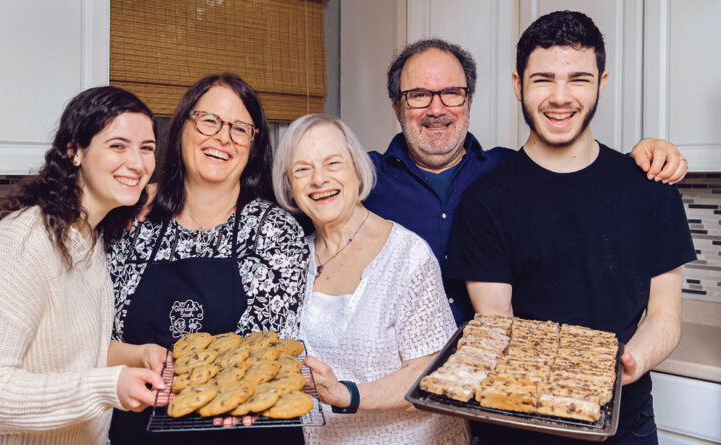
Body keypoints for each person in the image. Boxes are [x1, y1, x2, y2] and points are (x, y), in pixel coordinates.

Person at [449, 11, 695, 444]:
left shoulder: (652, 189)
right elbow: (498, 324)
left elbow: (664, 316)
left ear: (601, 83)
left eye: (578, 79)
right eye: (543, 79)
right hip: (519, 427)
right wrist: (567, 386)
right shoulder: (486, 201)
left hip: (625, 423)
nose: (560, 97)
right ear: (517, 85)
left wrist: (627, 363)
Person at [364, 38, 690, 324]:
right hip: (394, 382)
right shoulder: (361, 181)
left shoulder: (507, 173)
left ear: (469, 101)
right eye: (419, 95)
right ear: (397, 106)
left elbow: (581, 170)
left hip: (493, 378)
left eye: (452, 93)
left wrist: (648, 153)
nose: (437, 109)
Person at [0, 86, 166, 444]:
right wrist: (105, 387)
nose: (138, 164)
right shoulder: (19, 241)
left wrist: (137, 356)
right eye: (117, 145)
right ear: (75, 151)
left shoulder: (88, 238)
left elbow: (70, 352)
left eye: (147, 148)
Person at [107, 73, 309, 444]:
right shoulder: (131, 224)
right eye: (209, 121)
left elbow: (266, 345)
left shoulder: (273, 230)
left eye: (239, 128)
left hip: (247, 433)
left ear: (253, 145)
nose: (222, 137)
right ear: (182, 126)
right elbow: (98, 340)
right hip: (141, 429)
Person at [272, 113, 469, 445]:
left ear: (356, 169)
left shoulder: (407, 256)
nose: (319, 179)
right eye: (303, 169)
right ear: (290, 185)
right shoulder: (289, 259)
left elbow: (431, 376)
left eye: (333, 163)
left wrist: (347, 394)